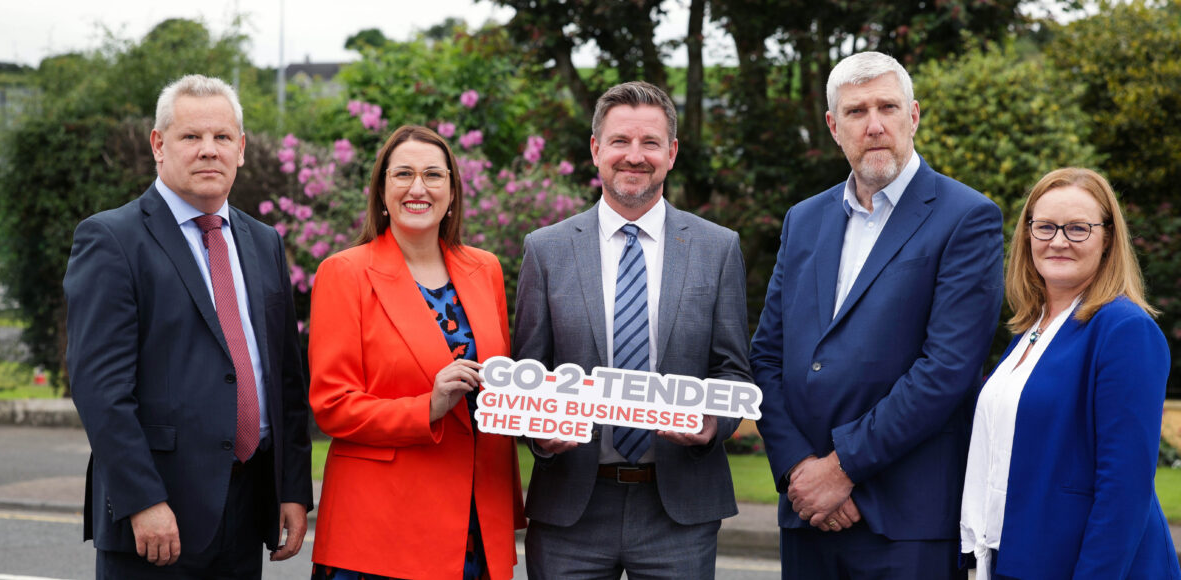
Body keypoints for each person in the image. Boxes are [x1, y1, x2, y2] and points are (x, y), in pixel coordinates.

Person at [748, 51, 1004, 579]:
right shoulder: (804, 220)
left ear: (913, 115)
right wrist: (801, 471)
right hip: (808, 516)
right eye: (857, 111)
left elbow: (947, 369)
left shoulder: (966, 218)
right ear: (833, 126)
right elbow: (768, 357)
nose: (874, 125)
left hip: (905, 519)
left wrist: (841, 470)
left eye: (887, 107)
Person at [64, 74, 312, 579]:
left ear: (240, 149)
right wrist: (143, 500)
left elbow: (285, 377)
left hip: (246, 507)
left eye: (222, 138)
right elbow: (100, 390)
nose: (208, 151)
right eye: (190, 137)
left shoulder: (264, 242)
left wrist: (293, 489)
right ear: (158, 145)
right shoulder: (111, 239)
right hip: (157, 517)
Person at [512, 80, 752, 579]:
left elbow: (733, 370)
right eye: (620, 141)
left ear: (672, 153)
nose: (634, 156)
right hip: (571, 509)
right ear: (597, 149)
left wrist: (712, 424)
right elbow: (527, 371)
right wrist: (538, 431)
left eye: (650, 143)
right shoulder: (546, 249)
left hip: (679, 512)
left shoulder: (718, 248)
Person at [307, 125, 525, 580]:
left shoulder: (484, 269)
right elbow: (332, 405)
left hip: (475, 524)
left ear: (452, 192)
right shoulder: (343, 274)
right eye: (403, 174)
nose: (418, 188)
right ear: (382, 191)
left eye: (433, 175)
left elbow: (500, 383)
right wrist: (427, 406)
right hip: (380, 530)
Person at [959, 168, 1180, 579]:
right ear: (1027, 235)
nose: (1058, 241)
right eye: (1044, 227)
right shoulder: (1030, 330)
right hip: (1014, 559)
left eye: (1078, 228)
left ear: (1108, 238)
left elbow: (1124, 491)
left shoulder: (1124, 330)